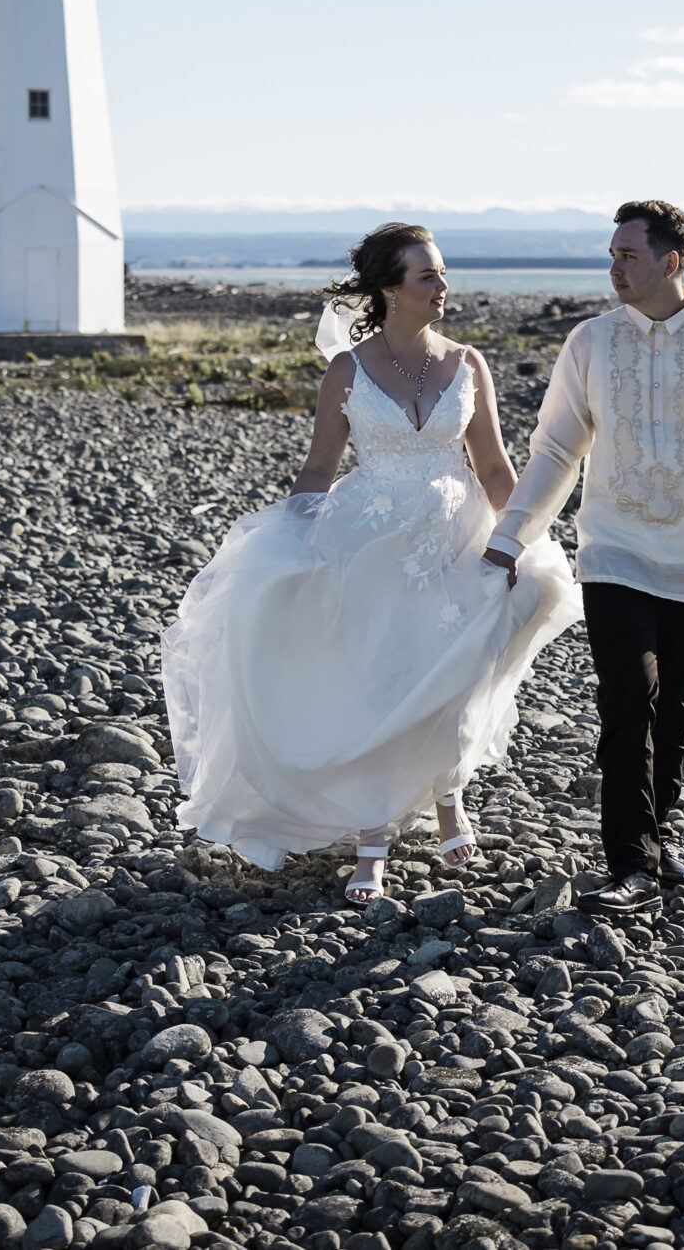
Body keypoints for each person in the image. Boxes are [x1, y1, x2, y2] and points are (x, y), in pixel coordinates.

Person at [162, 223, 579, 903]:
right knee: (383, 678)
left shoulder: (468, 363)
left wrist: (524, 538)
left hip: (458, 536)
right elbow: (320, 466)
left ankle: (450, 795)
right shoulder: (347, 371)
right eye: (427, 276)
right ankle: (373, 834)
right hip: (372, 541)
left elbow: (496, 467)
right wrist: (290, 545)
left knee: (454, 668)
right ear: (389, 289)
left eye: (441, 274)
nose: (444, 286)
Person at [483, 200, 684, 914]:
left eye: (627, 254)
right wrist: (511, 537)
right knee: (629, 696)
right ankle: (630, 864)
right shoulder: (591, 342)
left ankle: (656, 836)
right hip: (613, 548)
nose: (614, 266)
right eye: (613, 253)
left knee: (676, 708)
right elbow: (557, 449)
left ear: (670, 262)